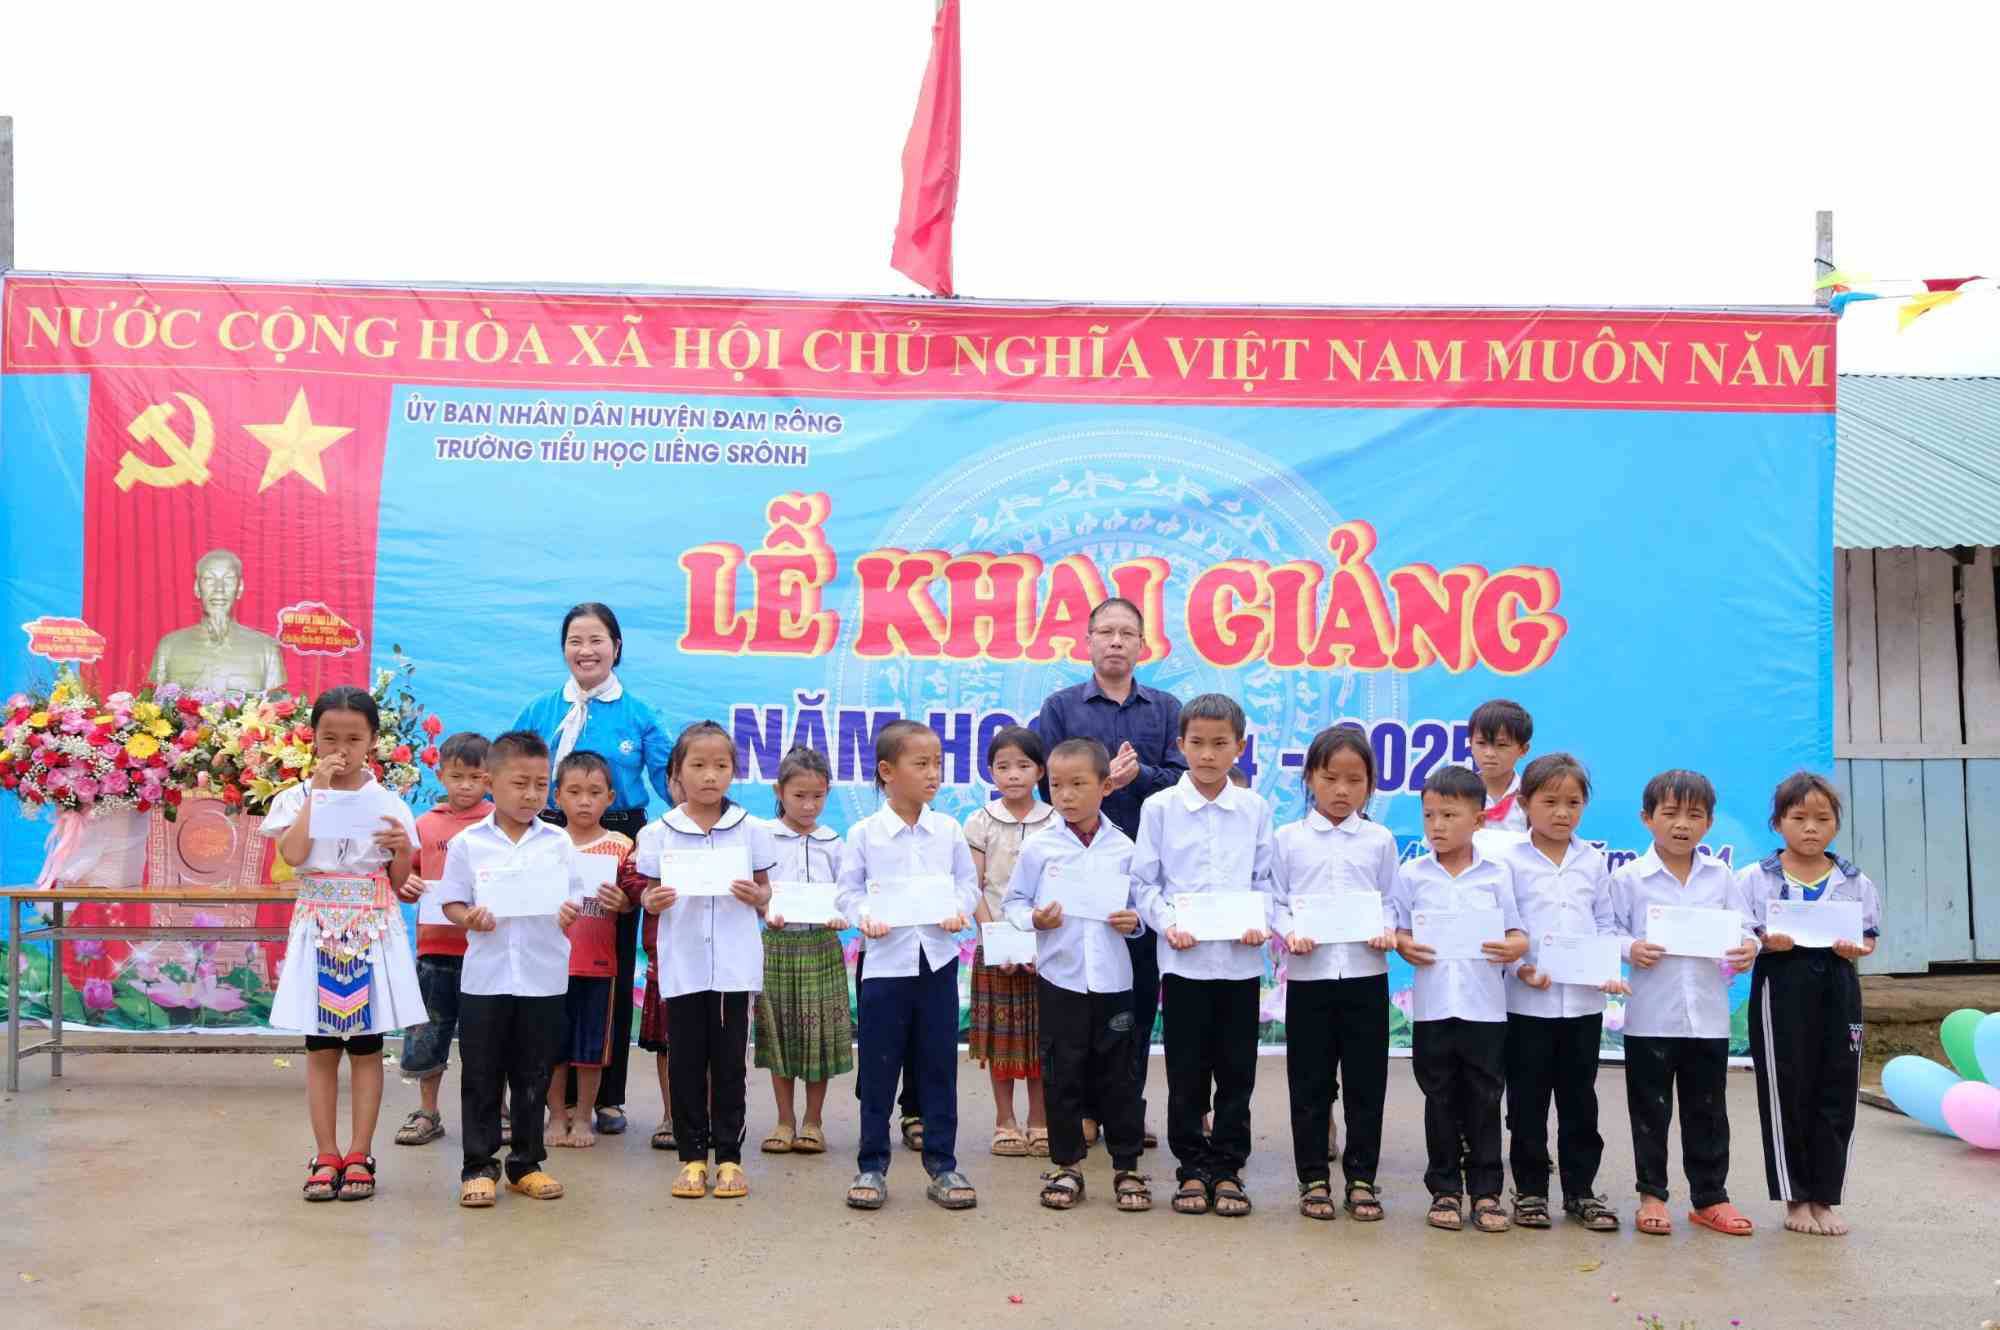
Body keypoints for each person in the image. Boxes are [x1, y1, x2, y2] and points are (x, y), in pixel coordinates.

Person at [513, 601, 673, 1137]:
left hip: (617, 844)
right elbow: (511, 771)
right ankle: (536, 1092)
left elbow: (670, 783)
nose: (586, 651)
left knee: (609, 976)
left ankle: (607, 1099)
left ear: (617, 647)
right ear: (563, 649)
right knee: (543, 968)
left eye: (597, 640)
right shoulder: (539, 710)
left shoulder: (639, 715)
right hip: (549, 842)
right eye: (576, 641)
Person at [1031, 596, 1187, 1146]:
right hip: (1072, 864)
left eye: (1127, 633)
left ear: (1144, 645)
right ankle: (1083, 1114)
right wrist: (1091, 787)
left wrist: (1134, 777)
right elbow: (1037, 777)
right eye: (1106, 632)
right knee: (1075, 999)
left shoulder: (1165, 709)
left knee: (1135, 995)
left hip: (1138, 867)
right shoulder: (1061, 707)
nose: (1116, 642)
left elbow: (1182, 779)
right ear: (1088, 640)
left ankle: (1127, 1107)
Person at [266, 686, 424, 1203]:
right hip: (317, 927)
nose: (342, 748)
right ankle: (325, 1152)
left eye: (354, 738)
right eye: (329, 737)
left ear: (373, 741)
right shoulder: (295, 797)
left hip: (371, 927)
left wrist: (401, 850)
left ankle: (360, 1152)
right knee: (320, 1046)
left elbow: (402, 880)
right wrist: (317, 793)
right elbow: (292, 853)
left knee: (366, 1045)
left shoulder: (388, 802)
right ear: (312, 739)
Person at [1133, 693, 1276, 1219]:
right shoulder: (1160, 808)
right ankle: (1192, 1168)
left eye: (1220, 744)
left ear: (1240, 747)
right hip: (1186, 962)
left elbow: (1265, 881)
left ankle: (1229, 1167)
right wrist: (1170, 924)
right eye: (1197, 743)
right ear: (1180, 746)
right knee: (1187, 1070)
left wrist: (1261, 923)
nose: (1209, 755)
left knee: (1237, 1070)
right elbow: (1144, 884)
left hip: (1239, 963)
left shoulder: (1255, 810)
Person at [437, 730, 592, 1208]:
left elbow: (576, 896)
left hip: (543, 977)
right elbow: (451, 903)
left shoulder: (557, 842)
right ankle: (478, 1166)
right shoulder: (468, 843)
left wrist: (570, 912)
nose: (530, 795)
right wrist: (470, 918)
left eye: (540, 785)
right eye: (519, 783)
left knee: (534, 1073)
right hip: (487, 978)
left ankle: (526, 1164)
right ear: (490, 781)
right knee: (482, 1072)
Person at [836, 719, 981, 1212]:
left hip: (937, 963)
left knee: (938, 1065)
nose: (933, 774)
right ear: (886, 771)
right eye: (921, 764)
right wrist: (865, 918)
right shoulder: (865, 834)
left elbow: (968, 884)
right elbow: (848, 892)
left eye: (937, 763)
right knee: (879, 1068)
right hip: (884, 966)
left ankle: (943, 1164)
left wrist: (959, 909)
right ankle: (871, 1165)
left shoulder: (948, 830)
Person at [1611, 768, 1761, 1239]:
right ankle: (1652, 1195)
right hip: (1650, 1017)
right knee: (1650, 1111)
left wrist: (1747, 947)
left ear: (1709, 823)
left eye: (1694, 815)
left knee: (1709, 1110)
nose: (1682, 824)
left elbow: (1743, 928)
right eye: (1670, 813)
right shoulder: (1629, 879)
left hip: (1708, 1018)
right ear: (1647, 818)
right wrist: (1628, 948)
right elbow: (1608, 929)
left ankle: (1711, 1198)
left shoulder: (1720, 877)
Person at [1004, 737, 1151, 1213]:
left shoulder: (1125, 847)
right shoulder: (1041, 847)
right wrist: (1035, 921)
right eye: (1057, 785)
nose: (1065, 795)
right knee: (1061, 1072)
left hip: (1114, 982)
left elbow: (1143, 907)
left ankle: (1127, 1167)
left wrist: (1135, 924)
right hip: (1061, 978)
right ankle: (1067, 1166)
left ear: (1106, 785)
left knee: (1120, 1076)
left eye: (1078, 784)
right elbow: (1014, 903)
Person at [635, 721, 776, 1200]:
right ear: (676, 773)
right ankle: (692, 1156)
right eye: (697, 765)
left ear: (734, 773)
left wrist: (757, 895)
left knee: (731, 1062)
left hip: (735, 966)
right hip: (685, 963)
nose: (709, 776)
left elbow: (764, 892)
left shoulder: (751, 830)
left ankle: (730, 1158)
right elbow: (649, 892)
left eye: (720, 766)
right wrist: (652, 902)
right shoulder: (658, 834)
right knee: (686, 1062)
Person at [1740, 772, 1881, 1237]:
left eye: (1822, 818)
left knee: (1837, 1088)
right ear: (1778, 822)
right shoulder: (1755, 878)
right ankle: (1795, 1198)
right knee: (1787, 1090)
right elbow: (1743, 932)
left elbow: (1868, 938)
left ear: (1836, 825)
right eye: (1798, 817)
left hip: (1838, 982)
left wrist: (1857, 948)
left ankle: (1826, 1197)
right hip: (1781, 981)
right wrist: (1764, 940)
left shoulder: (1854, 881)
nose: (1811, 828)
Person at [1391, 763, 1529, 1234]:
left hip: (1485, 1008)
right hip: (1433, 1009)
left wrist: (1515, 946)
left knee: (1486, 1100)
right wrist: (1402, 943)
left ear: (1480, 820)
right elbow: (1398, 928)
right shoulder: (1412, 875)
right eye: (1429, 816)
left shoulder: (1496, 875)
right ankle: (1445, 1190)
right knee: (1440, 1099)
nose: (1438, 826)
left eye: (1449, 816)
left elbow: (1516, 931)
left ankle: (1488, 1192)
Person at [1491, 753, 1626, 1232]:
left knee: (1579, 1100)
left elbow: (1606, 923)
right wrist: (1522, 966)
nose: (1562, 812)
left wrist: (1607, 968)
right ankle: (1529, 1191)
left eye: (1573, 802)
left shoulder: (1593, 860)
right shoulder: (1506, 860)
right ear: (1525, 803)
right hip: (1526, 1003)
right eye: (1549, 801)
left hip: (1583, 1004)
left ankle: (1581, 1191)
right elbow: (1503, 925)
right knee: (1526, 1102)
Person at [1272, 724, 1399, 1224]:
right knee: (1310, 1082)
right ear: (1310, 778)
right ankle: (1314, 1179)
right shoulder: (1289, 840)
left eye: (1355, 779)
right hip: (1310, 978)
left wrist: (1386, 929)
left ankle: (1363, 1178)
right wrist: (1290, 932)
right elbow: (1277, 903)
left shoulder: (1379, 840)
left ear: (1370, 783)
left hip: (1367, 975)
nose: (1342, 790)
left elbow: (1390, 902)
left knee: (1368, 1082)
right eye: (1330, 778)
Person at [756, 746, 854, 1156]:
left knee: (817, 1037)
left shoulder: (835, 842)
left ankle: (813, 1121)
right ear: (779, 790)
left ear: (828, 792)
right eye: (799, 796)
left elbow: (849, 895)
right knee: (780, 1035)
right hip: (776, 946)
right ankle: (784, 1120)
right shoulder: (762, 838)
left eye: (818, 796)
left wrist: (840, 916)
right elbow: (754, 888)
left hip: (821, 946)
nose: (808, 805)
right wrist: (765, 909)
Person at [395, 731, 492, 1147]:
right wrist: (408, 883)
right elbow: (404, 877)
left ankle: (494, 1111)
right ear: (440, 774)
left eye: (475, 777)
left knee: (487, 1039)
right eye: (457, 776)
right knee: (429, 1033)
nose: (465, 786)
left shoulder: (498, 825)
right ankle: (428, 1112)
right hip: (435, 949)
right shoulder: (424, 824)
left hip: (487, 951)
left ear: (490, 778)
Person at [964, 725, 1056, 1157]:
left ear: (1040, 771)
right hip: (994, 941)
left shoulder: (1056, 820)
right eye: (1003, 766)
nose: (1013, 774)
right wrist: (994, 939)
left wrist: (1040, 938)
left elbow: (1062, 886)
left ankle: (1040, 1120)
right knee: (1001, 1040)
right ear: (990, 772)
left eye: (1023, 765)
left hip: (1048, 946)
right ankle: (1005, 1121)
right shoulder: (980, 821)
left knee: (1041, 1037)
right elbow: (973, 886)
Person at [547, 751, 639, 1149]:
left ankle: (584, 1116)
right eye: (574, 791)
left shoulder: (622, 847)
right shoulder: (544, 841)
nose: (584, 800)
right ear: (556, 796)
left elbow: (635, 898)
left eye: (594, 792)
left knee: (591, 1047)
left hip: (599, 965)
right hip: (548, 965)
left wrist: (625, 902)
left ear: (611, 797)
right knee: (553, 1047)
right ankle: (555, 1116)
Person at [147, 547, 287, 693]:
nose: (219, 588)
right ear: (196, 588)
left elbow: (276, 706)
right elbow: (152, 704)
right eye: (209, 579)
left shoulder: (266, 649)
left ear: (239, 589)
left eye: (228, 579)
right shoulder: (170, 646)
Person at [639, 766, 686, 1153]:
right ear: (670, 782)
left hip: (716, 959)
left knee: (713, 1045)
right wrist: (646, 894)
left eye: (717, 767)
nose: (701, 780)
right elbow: (633, 880)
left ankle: (704, 1115)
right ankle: (672, 1115)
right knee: (668, 1042)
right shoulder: (653, 835)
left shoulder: (737, 834)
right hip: (666, 954)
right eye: (689, 771)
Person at [1468, 699, 1533, 832]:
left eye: (1502, 745)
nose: (1489, 753)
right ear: (1471, 744)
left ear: (1523, 750)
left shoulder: (1532, 796)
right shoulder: (1457, 793)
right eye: (1481, 743)